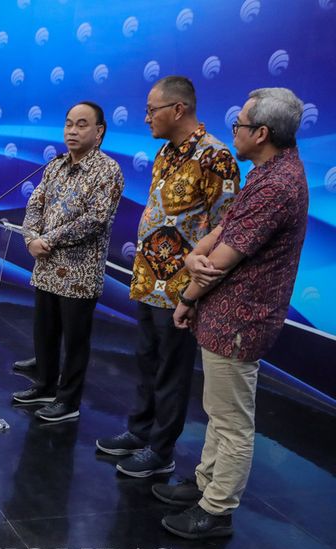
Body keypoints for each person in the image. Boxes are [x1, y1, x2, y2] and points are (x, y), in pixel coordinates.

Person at [156, 88, 309, 540]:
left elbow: (221, 261)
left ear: (261, 133)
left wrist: (186, 298)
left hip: (240, 321)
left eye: (240, 124)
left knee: (232, 420)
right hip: (225, 316)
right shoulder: (268, 173)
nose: (234, 131)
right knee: (217, 409)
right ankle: (205, 484)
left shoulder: (278, 185)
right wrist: (191, 257)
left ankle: (217, 509)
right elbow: (222, 230)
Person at [98, 77, 241, 477]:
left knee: (172, 372)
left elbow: (226, 226)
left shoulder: (216, 156)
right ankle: (139, 430)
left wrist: (197, 290)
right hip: (149, 280)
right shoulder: (165, 153)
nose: (146, 118)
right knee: (146, 361)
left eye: (151, 110)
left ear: (178, 109)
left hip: (182, 287)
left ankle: (161, 451)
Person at [11, 101, 124, 422]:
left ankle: (68, 400)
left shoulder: (108, 171)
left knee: (75, 341)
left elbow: (97, 219)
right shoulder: (55, 165)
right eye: (69, 124)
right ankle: (45, 385)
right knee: (44, 332)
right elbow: (35, 204)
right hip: (45, 267)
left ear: (99, 131)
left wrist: (50, 239)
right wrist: (31, 238)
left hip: (79, 273)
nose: (72, 131)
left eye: (82, 124)